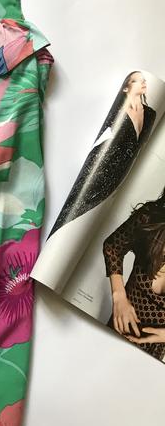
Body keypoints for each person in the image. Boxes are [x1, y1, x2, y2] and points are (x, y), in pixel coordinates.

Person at [51, 71, 156, 234]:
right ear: (126, 88)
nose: (143, 83)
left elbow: (142, 142)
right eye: (136, 81)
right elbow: (104, 138)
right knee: (79, 205)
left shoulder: (150, 114)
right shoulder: (119, 109)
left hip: (123, 168)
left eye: (143, 81)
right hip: (103, 163)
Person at [103, 188, 165, 360]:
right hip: (117, 332)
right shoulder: (149, 218)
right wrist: (119, 296)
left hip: (151, 355)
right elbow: (113, 247)